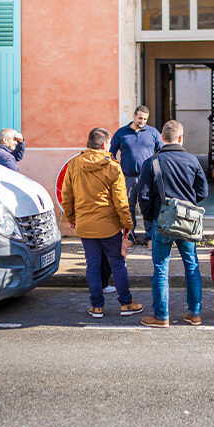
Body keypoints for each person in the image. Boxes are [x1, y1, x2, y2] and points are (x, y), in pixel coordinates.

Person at [62, 127, 143, 318]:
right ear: (105, 144)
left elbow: (67, 196)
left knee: (92, 265)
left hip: (85, 225)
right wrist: (127, 224)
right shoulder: (112, 167)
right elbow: (121, 201)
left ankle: (96, 306)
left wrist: (72, 218)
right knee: (117, 264)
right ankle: (126, 303)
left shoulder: (74, 164)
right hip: (109, 226)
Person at [138, 120, 208, 328]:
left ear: (161, 138)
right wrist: (187, 203)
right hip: (187, 222)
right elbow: (203, 192)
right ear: (181, 138)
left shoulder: (152, 162)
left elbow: (143, 196)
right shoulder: (192, 160)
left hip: (162, 221)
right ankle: (194, 314)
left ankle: (161, 316)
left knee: (161, 268)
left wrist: (151, 218)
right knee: (192, 266)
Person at [110, 105, 163, 250]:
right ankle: (129, 237)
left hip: (148, 178)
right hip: (129, 177)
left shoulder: (153, 133)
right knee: (128, 208)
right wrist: (117, 170)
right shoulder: (121, 133)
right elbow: (111, 153)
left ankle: (151, 238)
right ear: (134, 116)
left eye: (145, 119)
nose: (142, 121)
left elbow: (162, 152)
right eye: (140, 118)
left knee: (149, 207)